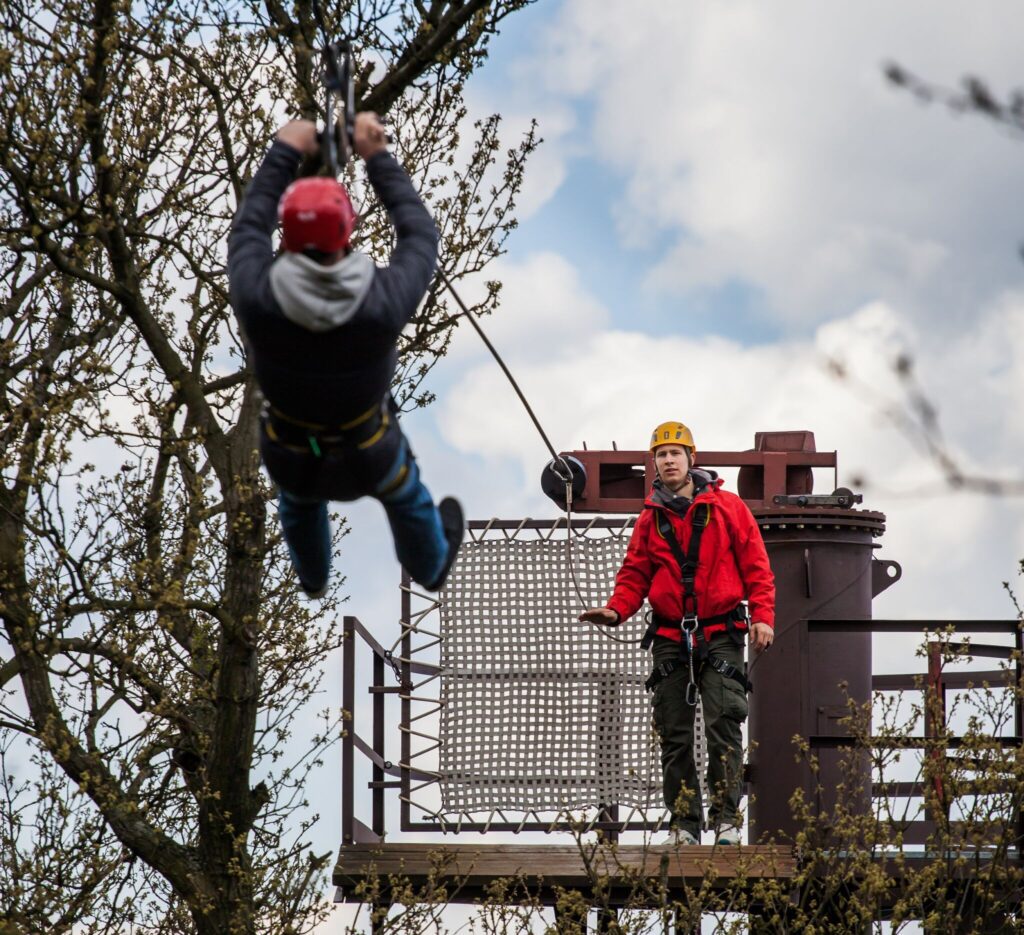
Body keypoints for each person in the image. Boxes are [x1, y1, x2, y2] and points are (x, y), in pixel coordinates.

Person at [228, 113, 463, 598]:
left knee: (298, 501)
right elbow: (419, 236)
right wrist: (376, 154)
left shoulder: (258, 297)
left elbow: (248, 228)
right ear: (348, 234)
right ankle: (432, 566)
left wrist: (284, 152)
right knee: (407, 496)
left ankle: (313, 577)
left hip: (292, 450)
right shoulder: (381, 300)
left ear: (287, 237)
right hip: (369, 451)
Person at [579, 421, 775, 845]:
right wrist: (616, 611)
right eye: (661, 455)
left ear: (691, 459)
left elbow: (756, 566)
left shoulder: (729, 508)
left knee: (724, 722)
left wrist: (763, 615)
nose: (668, 460)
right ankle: (684, 825)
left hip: (721, 630)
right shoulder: (650, 520)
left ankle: (724, 819)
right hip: (670, 635)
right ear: (654, 464)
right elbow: (635, 574)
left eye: (675, 453)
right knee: (675, 732)